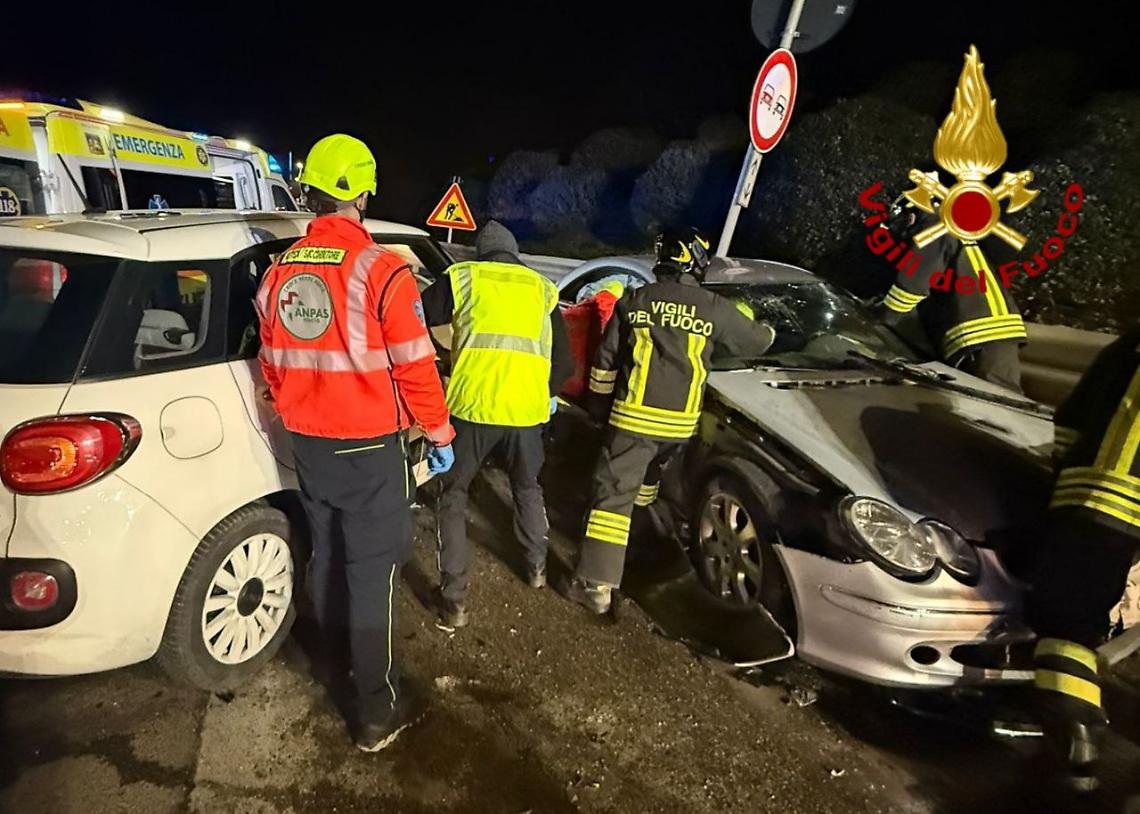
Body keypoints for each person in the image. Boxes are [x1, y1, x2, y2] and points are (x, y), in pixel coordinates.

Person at [255, 134, 455, 752]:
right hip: (370, 448)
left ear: (312, 192)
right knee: (372, 571)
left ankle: (334, 662)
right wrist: (440, 431)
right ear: (362, 192)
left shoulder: (279, 270)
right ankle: (374, 710)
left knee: (328, 552)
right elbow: (417, 365)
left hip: (308, 444)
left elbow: (271, 364)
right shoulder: (381, 268)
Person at [565, 227, 776, 612]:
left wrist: (597, 408)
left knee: (612, 498)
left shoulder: (637, 300)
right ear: (696, 260)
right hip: (680, 428)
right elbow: (760, 341)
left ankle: (595, 587)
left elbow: (605, 362)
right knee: (647, 486)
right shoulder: (712, 307)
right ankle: (646, 544)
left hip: (634, 420)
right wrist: (753, 318)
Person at [421, 221, 574, 628]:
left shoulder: (463, 276)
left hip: (472, 408)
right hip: (526, 414)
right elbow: (564, 361)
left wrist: (440, 356)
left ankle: (453, 600)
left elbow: (415, 316)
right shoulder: (541, 290)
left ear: (479, 253)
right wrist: (549, 392)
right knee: (527, 487)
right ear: (515, 253)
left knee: (453, 493)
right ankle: (537, 568)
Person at [1025, 327, 1140, 791]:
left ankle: (1074, 750)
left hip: (1099, 504)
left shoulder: (1127, 345)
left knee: (1068, 626)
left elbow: (1070, 420)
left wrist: (1058, 472)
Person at [876, 200, 1025, 391]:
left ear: (911, 215)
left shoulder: (936, 227)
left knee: (1000, 407)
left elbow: (912, 286)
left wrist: (881, 319)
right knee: (990, 405)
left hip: (981, 332)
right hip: (986, 331)